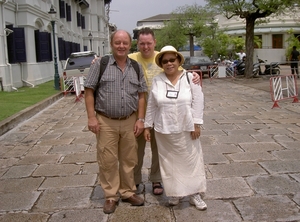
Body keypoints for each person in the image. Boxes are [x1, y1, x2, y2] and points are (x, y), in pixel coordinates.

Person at [91, 27, 200, 196]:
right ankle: (134, 181)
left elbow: (179, 71)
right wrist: (97, 60)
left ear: (154, 42)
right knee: (134, 150)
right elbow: (114, 58)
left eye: (149, 43)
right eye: (142, 43)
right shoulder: (132, 58)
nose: (146, 47)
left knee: (160, 149)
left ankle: (156, 178)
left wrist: (194, 75)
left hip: (162, 112)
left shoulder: (162, 58)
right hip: (137, 113)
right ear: (137, 44)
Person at [84, 30, 148, 214]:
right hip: (106, 121)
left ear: (130, 45)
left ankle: (128, 192)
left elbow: (141, 95)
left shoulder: (135, 67)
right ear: (111, 44)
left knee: (129, 159)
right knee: (108, 159)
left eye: (125, 43)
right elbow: (89, 91)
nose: (121, 46)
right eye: (117, 42)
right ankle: (111, 196)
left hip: (130, 120)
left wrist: (141, 119)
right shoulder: (101, 64)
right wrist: (91, 117)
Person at [144, 45, 207, 210]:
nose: (169, 63)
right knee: (169, 164)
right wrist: (146, 126)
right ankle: (175, 193)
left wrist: (197, 123)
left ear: (178, 60)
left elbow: (198, 100)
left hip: (187, 128)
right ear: (161, 64)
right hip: (164, 129)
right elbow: (151, 105)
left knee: (190, 161)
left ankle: (195, 194)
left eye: (172, 59)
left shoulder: (189, 78)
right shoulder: (158, 81)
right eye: (165, 61)